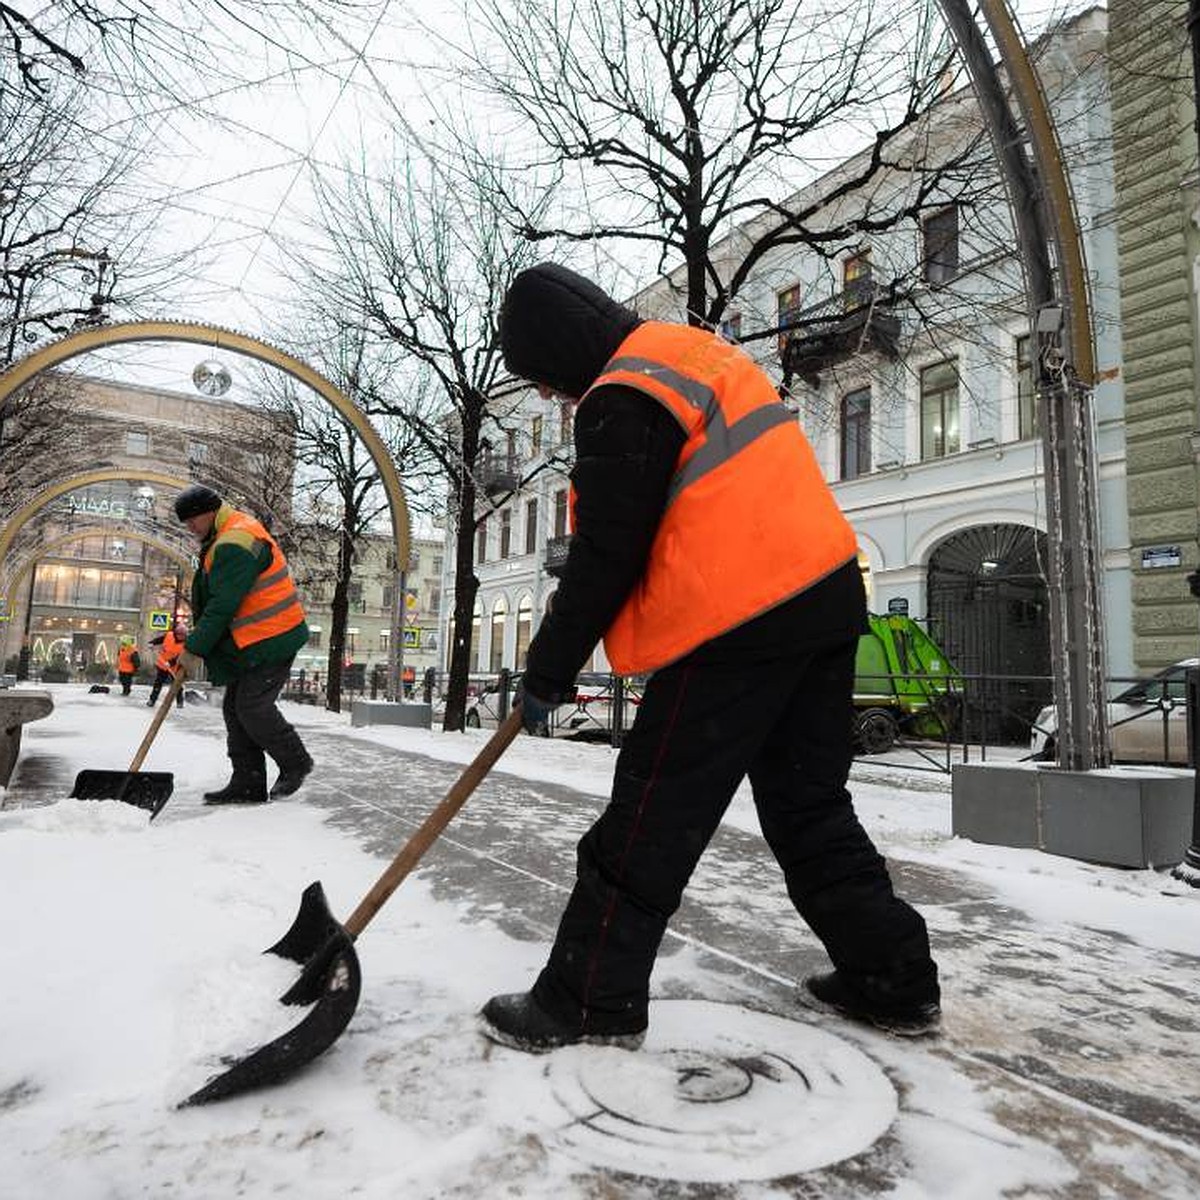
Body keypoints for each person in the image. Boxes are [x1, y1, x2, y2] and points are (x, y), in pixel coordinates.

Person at [480, 263, 941, 1053]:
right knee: (809, 808)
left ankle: (587, 998)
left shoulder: (622, 393)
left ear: (557, 350)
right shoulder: (696, 354)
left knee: (652, 814)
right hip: (825, 598)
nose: (557, 397)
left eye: (546, 380)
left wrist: (547, 668)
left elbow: (605, 554)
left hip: (738, 619)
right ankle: (892, 977)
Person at [173, 484, 313, 805]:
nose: (190, 528)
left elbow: (223, 604)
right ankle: (248, 782)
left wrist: (194, 648)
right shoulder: (223, 535)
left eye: (192, 521)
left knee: (252, 707)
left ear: (209, 513)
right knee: (235, 710)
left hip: (272, 638)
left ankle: (295, 762)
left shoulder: (235, 541)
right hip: (252, 640)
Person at [147, 620, 187, 709]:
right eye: (180, 634)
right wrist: (152, 643)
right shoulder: (169, 635)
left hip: (175, 666)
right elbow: (159, 639)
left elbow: (180, 657)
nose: (181, 637)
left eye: (183, 635)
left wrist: (171, 663)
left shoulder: (186, 644)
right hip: (162, 664)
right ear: (176, 633)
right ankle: (152, 700)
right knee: (158, 683)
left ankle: (180, 702)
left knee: (177, 684)